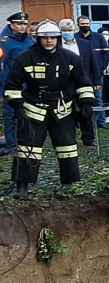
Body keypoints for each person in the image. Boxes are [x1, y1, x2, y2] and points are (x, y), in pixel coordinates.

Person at [5, 20, 96, 197]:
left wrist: (86, 103)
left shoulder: (71, 58)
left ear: (58, 38)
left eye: (52, 37)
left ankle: (70, 184)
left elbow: (83, 83)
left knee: (67, 147)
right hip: (32, 108)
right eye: (44, 37)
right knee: (27, 148)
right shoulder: (25, 58)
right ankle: (22, 187)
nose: (49, 41)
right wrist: (17, 106)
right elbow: (11, 86)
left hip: (63, 109)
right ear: (38, 39)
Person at [59, 19, 100, 146]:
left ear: (74, 30)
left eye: (69, 30)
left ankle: (88, 138)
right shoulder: (57, 46)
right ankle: (69, 139)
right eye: (64, 31)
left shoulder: (84, 44)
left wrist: (97, 81)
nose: (67, 33)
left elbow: (93, 63)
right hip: (64, 83)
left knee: (86, 110)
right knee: (67, 112)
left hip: (83, 81)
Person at [0, 13, 35, 156]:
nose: (22, 27)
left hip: (29, 84)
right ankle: (11, 145)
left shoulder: (30, 42)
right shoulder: (5, 42)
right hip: (11, 84)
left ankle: (26, 141)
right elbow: (1, 66)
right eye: (19, 24)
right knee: (11, 115)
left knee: (29, 113)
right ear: (12, 25)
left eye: (24, 24)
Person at [75, 15, 109, 127]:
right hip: (80, 74)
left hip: (96, 73)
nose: (85, 26)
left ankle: (100, 121)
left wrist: (101, 67)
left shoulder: (98, 37)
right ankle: (83, 121)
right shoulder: (75, 37)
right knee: (80, 98)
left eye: (87, 23)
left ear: (90, 24)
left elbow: (106, 53)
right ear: (78, 24)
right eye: (82, 24)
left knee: (98, 98)